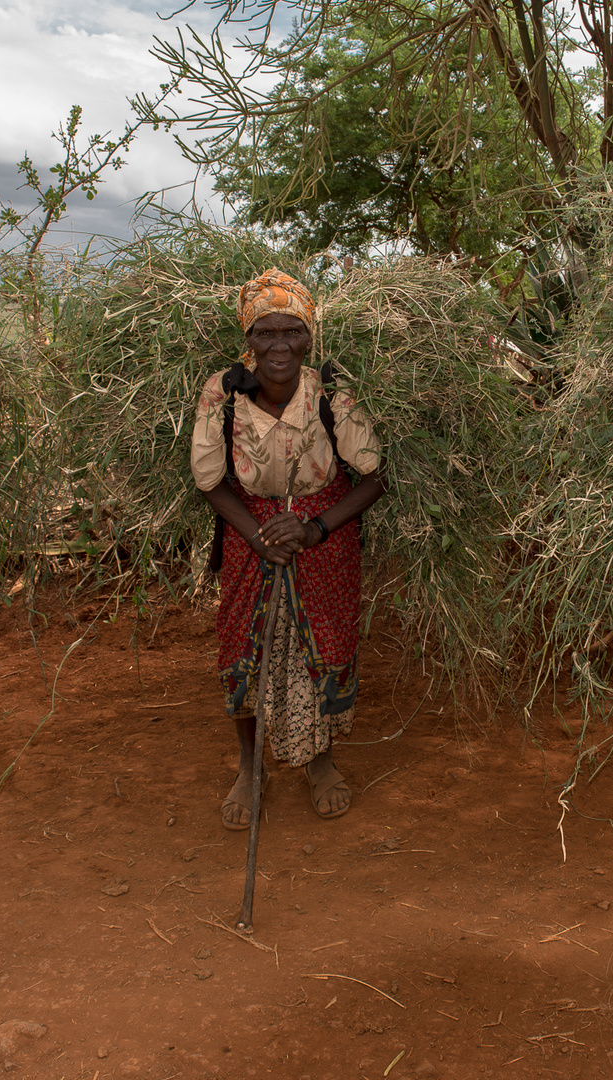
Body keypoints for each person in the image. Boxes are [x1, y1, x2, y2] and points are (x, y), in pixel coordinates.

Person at [191, 270, 386, 828]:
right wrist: (258, 538)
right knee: (245, 643)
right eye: (265, 332)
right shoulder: (221, 392)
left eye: (292, 332)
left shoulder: (331, 391)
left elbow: (373, 477)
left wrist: (314, 529)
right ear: (247, 338)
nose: (280, 346)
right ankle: (250, 768)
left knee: (319, 641)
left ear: (310, 336)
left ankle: (320, 761)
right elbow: (210, 480)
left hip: (324, 529)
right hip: (249, 527)